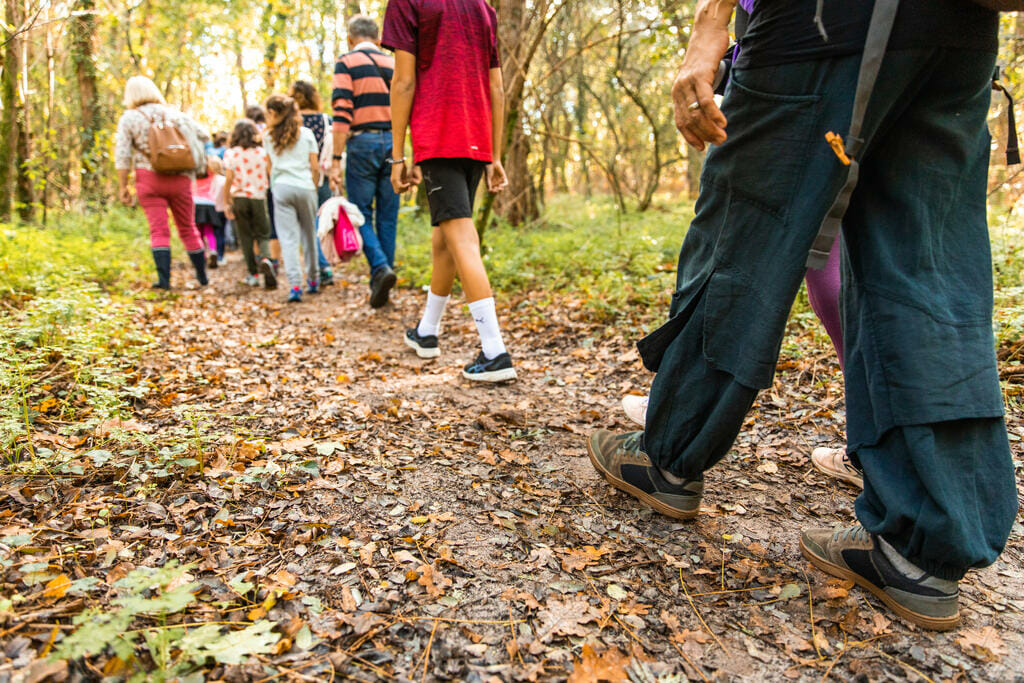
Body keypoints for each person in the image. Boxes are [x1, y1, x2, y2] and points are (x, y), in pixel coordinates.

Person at [586, 0, 1017, 631]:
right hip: (958, 34)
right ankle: (920, 550)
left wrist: (710, 29)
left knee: (744, 232)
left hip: (818, 28)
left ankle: (667, 459)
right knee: (927, 265)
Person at [383, 0, 517, 383]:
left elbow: (404, 81)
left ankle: (495, 351)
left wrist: (397, 156)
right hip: (476, 137)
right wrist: (493, 153)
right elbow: (497, 86)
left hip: (439, 134)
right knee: (445, 235)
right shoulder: (482, 7)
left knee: (461, 237)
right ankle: (427, 331)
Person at [330, 15, 401, 309]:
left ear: (350, 38)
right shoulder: (394, 63)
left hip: (362, 144)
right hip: (394, 144)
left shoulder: (346, 62)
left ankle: (381, 268)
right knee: (388, 216)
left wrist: (335, 158)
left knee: (360, 214)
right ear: (378, 37)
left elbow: (342, 113)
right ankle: (381, 281)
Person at [114, 75, 210, 289]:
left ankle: (164, 281)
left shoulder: (129, 118)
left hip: (149, 179)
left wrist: (123, 186)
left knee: (158, 229)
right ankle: (202, 276)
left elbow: (122, 155)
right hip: (181, 177)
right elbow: (204, 134)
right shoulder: (174, 113)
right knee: (188, 227)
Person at [263, 94, 321, 303]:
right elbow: (314, 167)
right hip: (305, 187)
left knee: (288, 239)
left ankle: (295, 285)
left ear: (274, 113)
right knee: (309, 234)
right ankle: (313, 280)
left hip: (281, 188)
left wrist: (276, 184)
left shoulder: (268, 136)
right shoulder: (306, 134)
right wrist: (313, 188)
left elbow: (270, 167)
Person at [289, 80, 335, 286]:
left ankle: (318, 268)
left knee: (305, 227)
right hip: (323, 177)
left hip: (297, 179)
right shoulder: (326, 121)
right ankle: (324, 266)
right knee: (321, 224)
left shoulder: (290, 122)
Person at [223, 118, 276, 289]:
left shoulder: (231, 153)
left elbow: (229, 179)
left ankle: (253, 273)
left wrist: (226, 201)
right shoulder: (262, 152)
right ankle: (266, 259)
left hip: (239, 198)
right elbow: (270, 173)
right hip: (259, 197)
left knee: (245, 236)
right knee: (262, 233)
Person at [193, 156, 227, 269]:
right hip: (209, 205)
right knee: (210, 231)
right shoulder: (211, 176)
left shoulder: (194, 177)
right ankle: (213, 251)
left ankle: (202, 256)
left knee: (199, 233)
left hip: (196, 205)